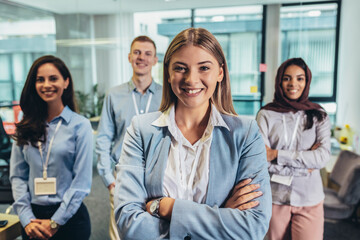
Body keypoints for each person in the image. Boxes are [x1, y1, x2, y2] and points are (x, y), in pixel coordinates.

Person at [114, 27, 272, 239]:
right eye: (181, 68)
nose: (191, 79)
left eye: (204, 67)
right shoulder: (140, 130)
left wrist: (167, 208)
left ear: (220, 73)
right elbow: (129, 225)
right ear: (168, 74)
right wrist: (222, 215)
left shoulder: (245, 134)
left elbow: (253, 227)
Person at [10, 55, 93, 240]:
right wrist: (26, 219)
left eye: (53, 78)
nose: (47, 84)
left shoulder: (80, 126)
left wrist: (56, 221)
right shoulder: (24, 126)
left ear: (66, 82)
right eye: (40, 79)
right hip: (33, 221)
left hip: (70, 220)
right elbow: (17, 176)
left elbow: (81, 182)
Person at [256, 58, 331, 240]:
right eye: (287, 78)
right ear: (279, 81)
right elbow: (260, 160)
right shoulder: (266, 114)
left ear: (307, 82)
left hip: (309, 198)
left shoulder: (319, 115)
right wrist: (305, 163)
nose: (293, 84)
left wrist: (276, 155)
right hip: (275, 197)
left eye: (300, 78)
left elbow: (322, 157)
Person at [96, 35, 162, 240]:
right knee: (119, 232)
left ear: (155, 60)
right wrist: (109, 179)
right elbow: (104, 138)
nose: (141, 57)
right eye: (137, 52)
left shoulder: (167, 95)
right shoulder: (113, 95)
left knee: (156, 229)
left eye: (147, 53)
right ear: (129, 57)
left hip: (157, 176)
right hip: (121, 176)